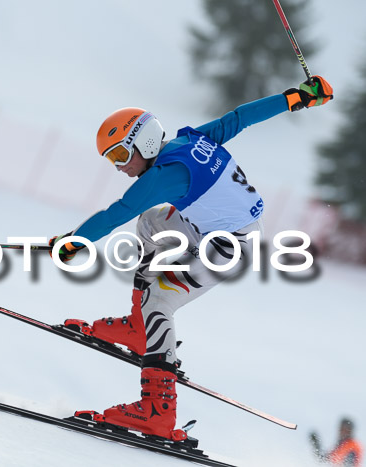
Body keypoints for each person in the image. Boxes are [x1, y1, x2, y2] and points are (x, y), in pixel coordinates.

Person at [48, 76, 333, 441]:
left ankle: (157, 411)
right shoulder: (188, 143)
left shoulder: (165, 176)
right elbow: (240, 118)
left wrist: (74, 241)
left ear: (144, 143)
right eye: (111, 159)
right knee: (151, 223)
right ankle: (140, 330)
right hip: (218, 228)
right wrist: (296, 97)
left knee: (160, 301)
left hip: (229, 249)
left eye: (120, 154)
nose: (118, 166)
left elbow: (117, 210)